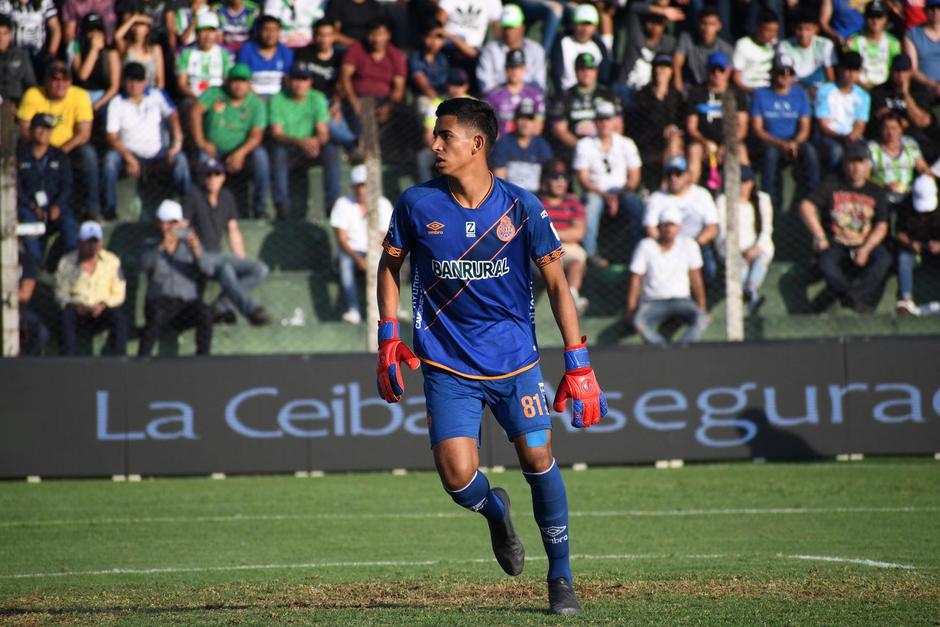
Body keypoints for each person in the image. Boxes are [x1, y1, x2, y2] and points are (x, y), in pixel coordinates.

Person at [376, 97, 606, 616]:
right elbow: (389, 267)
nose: (435, 144)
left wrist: (578, 360)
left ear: (476, 143)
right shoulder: (416, 203)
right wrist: (388, 335)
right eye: (436, 135)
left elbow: (557, 284)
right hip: (446, 364)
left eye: (446, 135)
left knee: (538, 458)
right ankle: (496, 511)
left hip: (515, 363)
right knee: (458, 479)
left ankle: (561, 577)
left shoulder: (522, 206)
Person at [799, 141, 892, 314]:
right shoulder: (832, 183)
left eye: (860, 162)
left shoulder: (876, 191)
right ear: (844, 164)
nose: (856, 168)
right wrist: (820, 237)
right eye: (851, 162)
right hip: (836, 243)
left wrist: (865, 249)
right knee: (826, 262)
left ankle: (852, 296)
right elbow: (806, 206)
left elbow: (882, 225)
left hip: (864, 243)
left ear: (868, 165)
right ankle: (850, 297)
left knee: (883, 259)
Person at [181, 158, 272, 325]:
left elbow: (233, 231)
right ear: (201, 178)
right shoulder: (193, 195)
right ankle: (251, 310)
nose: (212, 178)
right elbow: (181, 227)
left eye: (216, 174)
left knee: (259, 269)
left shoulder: (226, 197)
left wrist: (240, 259)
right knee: (226, 269)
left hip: (218, 256)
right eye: (207, 175)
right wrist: (194, 245)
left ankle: (220, 306)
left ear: (223, 177)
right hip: (198, 255)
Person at [103, 61, 190, 219]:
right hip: (130, 155)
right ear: (124, 81)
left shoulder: (157, 95)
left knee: (181, 159)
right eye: (130, 80)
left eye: (138, 80)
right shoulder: (116, 102)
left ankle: (186, 208)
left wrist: (176, 143)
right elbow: (111, 136)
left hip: (159, 154)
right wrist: (128, 157)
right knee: (110, 159)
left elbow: (173, 115)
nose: (134, 85)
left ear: (144, 82)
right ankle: (110, 208)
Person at [16, 61, 99, 220]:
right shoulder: (33, 94)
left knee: (88, 154)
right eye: (55, 79)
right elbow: (24, 129)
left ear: (71, 81)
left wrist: (58, 153)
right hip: (37, 148)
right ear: (46, 80)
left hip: (68, 148)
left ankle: (92, 209)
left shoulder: (80, 95)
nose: (60, 84)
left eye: (65, 79)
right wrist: (43, 149)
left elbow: (84, 134)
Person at [191, 63, 270, 219]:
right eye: (235, 81)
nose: (238, 86)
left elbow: (256, 136)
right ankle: (202, 208)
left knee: (261, 156)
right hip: (213, 149)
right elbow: (195, 112)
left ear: (249, 83)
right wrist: (201, 141)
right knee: (202, 159)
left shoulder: (256, 104)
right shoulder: (214, 93)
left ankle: (260, 208)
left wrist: (240, 153)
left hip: (242, 150)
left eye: (243, 81)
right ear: (227, 81)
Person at [138, 199, 214, 356]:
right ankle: (142, 359)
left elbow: (209, 270)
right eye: (164, 223)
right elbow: (144, 266)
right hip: (160, 303)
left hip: (186, 305)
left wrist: (197, 250)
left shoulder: (190, 245)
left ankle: (203, 358)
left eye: (173, 223)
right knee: (156, 315)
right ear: (158, 223)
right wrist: (162, 247)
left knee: (205, 313)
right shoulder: (150, 245)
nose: (168, 228)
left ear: (180, 224)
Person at [573, 99, 644, 265]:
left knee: (636, 203)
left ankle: (640, 251)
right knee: (591, 204)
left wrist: (616, 195)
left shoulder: (626, 143)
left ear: (614, 121)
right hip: (595, 191)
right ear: (595, 122)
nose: (604, 123)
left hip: (622, 191)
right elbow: (582, 178)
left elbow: (634, 179)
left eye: (608, 119)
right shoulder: (585, 144)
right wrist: (605, 195)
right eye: (600, 119)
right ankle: (590, 255)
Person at [626, 206, 710, 344]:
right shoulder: (645, 245)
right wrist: (631, 309)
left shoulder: (689, 244)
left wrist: (702, 307)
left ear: (679, 228)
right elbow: (636, 279)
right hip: (652, 302)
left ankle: (686, 348)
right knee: (638, 321)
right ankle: (661, 349)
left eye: (672, 225)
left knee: (702, 318)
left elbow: (696, 278)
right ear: (659, 227)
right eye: (665, 225)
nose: (669, 229)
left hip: (682, 301)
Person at [749, 53, 818, 212]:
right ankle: (770, 201)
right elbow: (758, 129)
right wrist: (779, 143)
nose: (785, 77)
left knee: (810, 151)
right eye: (781, 72)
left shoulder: (800, 94)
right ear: (773, 73)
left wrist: (794, 142)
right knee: (770, 154)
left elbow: (805, 128)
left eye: (789, 73)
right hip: (769, 141)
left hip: (793, 141)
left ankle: (812, 199)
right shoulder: (760, 94)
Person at [268, 62, 336, 219]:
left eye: (304, 79)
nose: (300, 84)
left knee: (331, 151)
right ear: (288, 80)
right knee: (278, 153)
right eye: (296, 79)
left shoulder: (317, 97)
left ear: (310, 82)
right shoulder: (278, 99)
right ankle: (282, 206)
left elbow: (323, 133)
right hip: (289, 147)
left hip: (312, 148)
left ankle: (332, 205)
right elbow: (277, 134)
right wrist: (300, 142)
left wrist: (315, 142)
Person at [329, 164, 393, 324]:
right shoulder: (342, 204)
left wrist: (374, 256)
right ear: (353, 187)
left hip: (377, 250)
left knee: (390, 259)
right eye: (358, 186)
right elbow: (342, 239)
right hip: (351, 252)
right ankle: (353, 310)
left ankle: (389, 310)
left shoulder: (383, 204)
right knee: (345, 263)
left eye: (364, 185)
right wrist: (358, 259)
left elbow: (386, 236)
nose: (361, 190)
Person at [55, 220, 128, 355]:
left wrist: (103, 304)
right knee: (66, 316)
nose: (92, 246)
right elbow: (60, 293)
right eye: (88, 242)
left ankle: (119, 359)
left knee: (119, 317)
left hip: (103, 310)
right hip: (78, 310)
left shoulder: (112, 261)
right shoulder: (66, 262)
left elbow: (119, 293)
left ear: (101, 243)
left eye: (95, 242)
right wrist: (77, 305)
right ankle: (68, 360)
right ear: (79, 243)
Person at [643, 156, 720, 283]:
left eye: (678, 174)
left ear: (687, 176)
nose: (673, 178)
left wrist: (692, 246)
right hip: (665, 246)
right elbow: (650, 228)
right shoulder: (657, 198)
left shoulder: (702, 195)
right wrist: (668, 246)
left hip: (697, 245)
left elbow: (712, 228)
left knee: (710, 270)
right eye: (669, 174)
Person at [16, 113, 78, 267]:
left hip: (55, 206)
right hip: (28, 207)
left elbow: (67, 185)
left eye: (48, 129)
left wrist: (58, 205)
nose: (44, 132)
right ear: (31, 130)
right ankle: (34, 266)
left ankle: (57, 264)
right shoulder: (19, 154)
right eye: (40, 128)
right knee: (28, 229)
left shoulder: (59, 155)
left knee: (70, 227)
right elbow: (16, 187)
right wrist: (32, 206)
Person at [684, 51, 749, 187]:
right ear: (707, 71)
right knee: (694, 150)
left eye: (721, 70)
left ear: (728, 71)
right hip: (704, 144)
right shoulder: (696, 93)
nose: (717, 74)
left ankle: (743, 193)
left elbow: (742, 128)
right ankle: (690, 191)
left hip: (729, 143)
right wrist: (705, 142)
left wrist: (727, 144)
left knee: (740, 152)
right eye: (713, 70)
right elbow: (691, 127)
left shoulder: (737, 94)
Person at [715, 165, 774, 315]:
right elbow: (722, 232)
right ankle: (750, 297)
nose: (741, 186)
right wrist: (738, 252)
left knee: (764, 254)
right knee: (741, 266)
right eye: (738, 181)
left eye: (745, 181)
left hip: (755, 249)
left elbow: (766, 229)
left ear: (752, 183)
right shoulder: (723, 201)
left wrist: (755, 248)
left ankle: (750, 290)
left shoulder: (762, 199)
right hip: (730, 249)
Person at [548, 52, 621, 162]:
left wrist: (602, 148)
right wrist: (583, 149)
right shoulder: (563, 98)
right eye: (582, 69)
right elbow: (560, 131)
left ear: (596, 71)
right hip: (574, 152)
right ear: (575, 71)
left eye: (590, 69)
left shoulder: (609, 96)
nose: (587, 73)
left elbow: (617, 127)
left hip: (605, 150)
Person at [538, 159, 589, 314]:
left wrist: (550, 232)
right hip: (542, 248)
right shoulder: (536, 202)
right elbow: (533, 232)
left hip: (567, 247)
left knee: (577, 259)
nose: (560, 182)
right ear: (545, 180)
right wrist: (564, 233)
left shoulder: (573, 202)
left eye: (564, 178)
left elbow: (578, 233)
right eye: (555, 177)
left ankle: (572, 297)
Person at [629, 52, 684, 190]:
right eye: (659, 67)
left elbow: (683, 123)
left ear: (671, 71)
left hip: (671, 146)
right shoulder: (642, 96)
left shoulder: (676, 97)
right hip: (648, 145)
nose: (662, 71)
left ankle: (667, 182)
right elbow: (639, 126)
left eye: (666, 67)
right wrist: (658, 97)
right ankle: (666, 185)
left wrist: (673, 128)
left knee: (674, 140)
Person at [814, 51, 870, 173]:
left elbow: (860, 123)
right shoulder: (824, 91)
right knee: (836, 151)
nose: (851, 75)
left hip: (852, 137)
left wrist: (853, 135)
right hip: (830, 137)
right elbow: (823, 124)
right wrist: (841, 138)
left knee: (866, 151)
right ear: (840, 70)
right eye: (848, 70)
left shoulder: (863, 96)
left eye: (855, 71)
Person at [895, 173, 940, 315]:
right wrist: (910, 244)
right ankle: (906, 300)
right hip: (914, 249)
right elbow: (899, 232)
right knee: (903, 258)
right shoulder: (906, 205)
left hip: (937, 248)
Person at [477, 4, 547, 94]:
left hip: (528, 99)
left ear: (522, 28)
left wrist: (519, 96)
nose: (509, 32)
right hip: (498, 100)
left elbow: (539, 85)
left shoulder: (536, 50)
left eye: (512, 27)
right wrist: (508, 97)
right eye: (506, 27)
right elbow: (486, 86)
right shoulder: (490, 50)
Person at [868, 112, 930, 212]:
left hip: (908, 196)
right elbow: (865, 177)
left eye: (894, 128)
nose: (890, 133)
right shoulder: (872, 147)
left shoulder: (910, 143)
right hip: (882, 196)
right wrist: (884, 186)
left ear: (901, 129)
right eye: (886, 128)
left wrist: (926, 178)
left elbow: (922, 167)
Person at [490, 98, 553, 193]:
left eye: (529, 119)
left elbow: (548, 177)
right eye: (521, 118)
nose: (525, 123)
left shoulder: (541, 145)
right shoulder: (503, 144)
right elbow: (500, 180)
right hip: (510, 196)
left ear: (534, 122)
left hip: (536, 197)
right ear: (514, 120)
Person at [618, 8, 675, 103]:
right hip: (626, 87)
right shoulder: (636, 38)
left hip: (647, 93)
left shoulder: (668, 44)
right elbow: (633, 9)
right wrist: (662, 11)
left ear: (664, 26)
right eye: (651, 22)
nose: (654, 26)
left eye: (658, 23)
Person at [485, 48, 545, 138]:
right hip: (500, 144)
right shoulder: (492, 96)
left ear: (525, 69)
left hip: (526, 144)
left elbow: (537, 128)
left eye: (519, 67)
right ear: (505, 69)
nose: (515, 71)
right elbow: (487, 127)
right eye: (511, 67)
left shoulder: (535, 96)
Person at [776, 9, 836, 98]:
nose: (803, 34)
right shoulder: (784, 46)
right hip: (795, 89)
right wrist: (805, 92)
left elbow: (830, 77)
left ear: (816, 29)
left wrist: (827, 93)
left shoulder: (826, 45)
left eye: (808, 29)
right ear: (793, 28)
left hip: (820, 90)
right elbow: (787, 75)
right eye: (799, 29)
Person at [550, 3, 610, 92]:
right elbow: (556, 75)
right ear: (574, 24)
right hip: (566, 94)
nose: (585, 29)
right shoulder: (562, 43)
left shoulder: (599, 47)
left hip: (593, 95)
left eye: (589, 24)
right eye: (581, 24)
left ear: (595, 26)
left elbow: (603, 78)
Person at [673, 7, 733, 94]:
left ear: (719, 26)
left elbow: (726, 75)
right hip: (689, 89)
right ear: (698, 24)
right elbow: (677, 63)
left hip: (713, 90)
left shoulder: (726, 49)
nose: (707, 28)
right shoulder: (687, 39)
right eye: (704, 23)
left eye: (712, 24)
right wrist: (679, 87)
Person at [69, 12, 120, 112]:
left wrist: (97, 105)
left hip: (103, 96)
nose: (95, 34)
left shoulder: (111, 51)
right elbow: (83, 76)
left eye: (98, 30)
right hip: (81, 94)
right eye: (91, 30)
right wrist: (94, 50)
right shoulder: (75, 46)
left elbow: (114, 87)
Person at [175, 11, 233, 100]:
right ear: (197, 33)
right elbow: (181, 84)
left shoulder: (225, 54)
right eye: (203, 31)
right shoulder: (185, 53)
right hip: (192, 97)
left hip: (218, 98)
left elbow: (228, 81)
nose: (208, 36)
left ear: (216, 33)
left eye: (211, 31)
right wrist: (198, 100)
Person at [847, 0, 902, 90]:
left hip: (885, 90)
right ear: (865, 18)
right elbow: (849, 70)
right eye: (871, 17)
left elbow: (896, 71)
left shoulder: (893, 43)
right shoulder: (853, 42)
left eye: (879, 17)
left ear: (885, 19)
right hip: (859, 89)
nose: (875, 21)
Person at [236, 14, 293, 98]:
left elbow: (288, 80)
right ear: (259, 31)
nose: (270, 34)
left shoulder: (286, 52)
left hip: (279, 99)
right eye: (266, 30)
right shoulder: (246, 50)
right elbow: (242, 79)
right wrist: (257, 100)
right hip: (252, 98)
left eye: (274, 30)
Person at [0, 0, 61, 72]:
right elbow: (2, 28)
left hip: (39, 55)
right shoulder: (5, 3)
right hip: (14, 56)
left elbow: (55, 29)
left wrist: (51, 54)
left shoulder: (45, 2)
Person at [732, 8, 779, 95]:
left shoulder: (775, 45)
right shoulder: (743, 44)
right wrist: (752, 93)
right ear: (758, 27)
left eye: (775, 31)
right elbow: (736, 78)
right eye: (768, 30)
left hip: (769, 93)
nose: (772, 35)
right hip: (747, 92)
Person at [114, 12, 164, 88]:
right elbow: (117, 36)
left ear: (147, 29)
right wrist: (134, 18)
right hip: (130, 91)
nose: (138, 28)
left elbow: (160, 82)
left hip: (150, 91)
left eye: (142, 25)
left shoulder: (155, 49)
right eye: (135, 25)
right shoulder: (126, 48)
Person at [904, 0, 940, 97]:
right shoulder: (913, 34)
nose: (935, 12)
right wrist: (933, 85)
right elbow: (913, 69)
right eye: (932, 8)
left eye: (939, 8)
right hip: (923, 88)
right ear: (925, 10)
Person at [0, 14, 38, 103]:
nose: (1, 38)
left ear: (10, 34)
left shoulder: (21, 55)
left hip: (17, 102)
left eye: (5, 34)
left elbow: (31, 84)